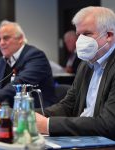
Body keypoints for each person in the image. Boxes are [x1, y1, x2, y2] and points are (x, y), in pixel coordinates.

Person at [36, 6, 115, 140]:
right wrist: (30, 115)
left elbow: (108, 125)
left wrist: (48, 125)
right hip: (83, 138)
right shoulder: (85, 65)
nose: (80, 41)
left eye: (87, 34)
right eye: (78, 34)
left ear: (109, 35)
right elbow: (68, 106)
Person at [0, 20, 55, 108]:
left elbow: (20, 83)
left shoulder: (35, 56)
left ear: (20, 38)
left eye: (6, 38)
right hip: (6, 112)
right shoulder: (1, 61)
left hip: (35, 112)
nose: (1, 43)